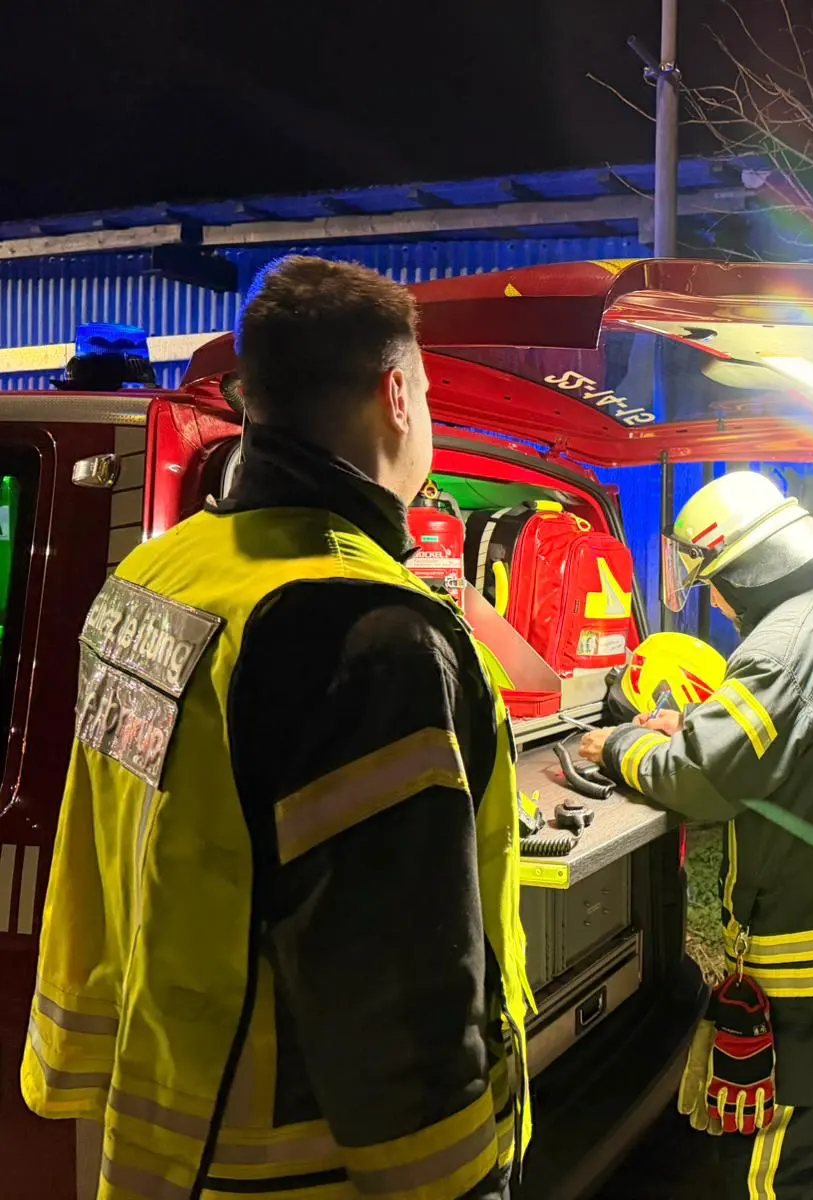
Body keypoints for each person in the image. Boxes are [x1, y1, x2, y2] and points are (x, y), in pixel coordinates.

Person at [22, 256, 533, 1200]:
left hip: (164, 1133)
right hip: (300, 1167)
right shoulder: (364, 634)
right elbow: (394, 995)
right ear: (397, 396)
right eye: (426, 393)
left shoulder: (157, 576)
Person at [578, 470, 813, 1200]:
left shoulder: (774, 649)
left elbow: (700, 780)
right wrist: (694, 725)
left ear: (746, 571)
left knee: (777, 1164)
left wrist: (618, 747)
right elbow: (799, 732)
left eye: (714, 581)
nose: (714, 599)